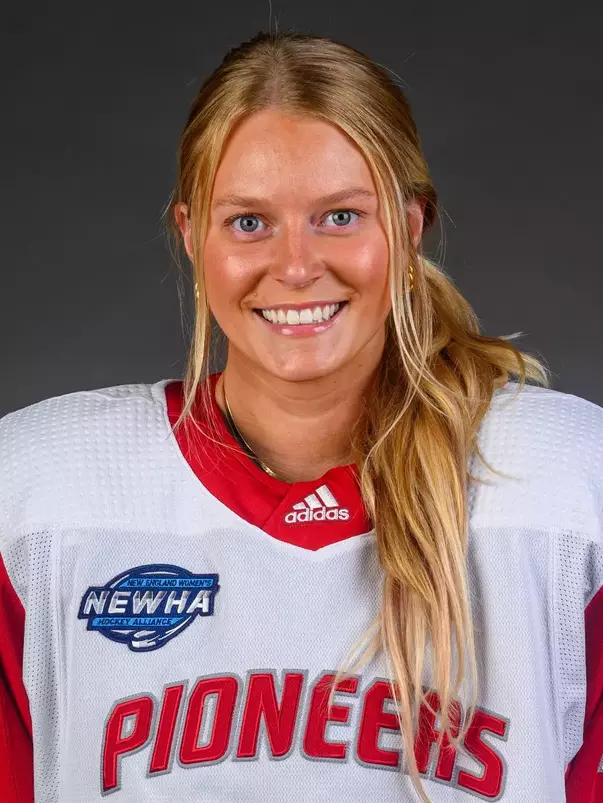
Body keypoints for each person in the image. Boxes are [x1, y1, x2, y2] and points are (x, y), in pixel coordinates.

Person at [0, 30, 601, 803]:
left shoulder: (564, 488)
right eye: (249, 222)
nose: (294, 265)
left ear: (408, 228)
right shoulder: (38, 497)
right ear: (191, 235)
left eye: (340, 216)